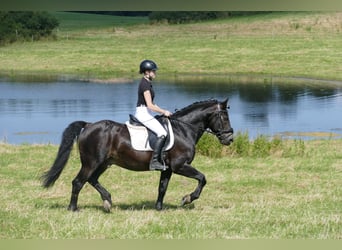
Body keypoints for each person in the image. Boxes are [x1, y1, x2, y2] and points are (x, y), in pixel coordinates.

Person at [135, 59, 172, 171]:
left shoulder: (147, 83)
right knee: (162, 133)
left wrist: (162, 110)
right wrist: (163, 112)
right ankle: (154, 162)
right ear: (147, 72)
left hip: (146, 112)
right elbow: (150, 105)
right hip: (143, 113)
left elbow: (152, 104)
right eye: (153, 71)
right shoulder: (145, 85)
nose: (155, 73)